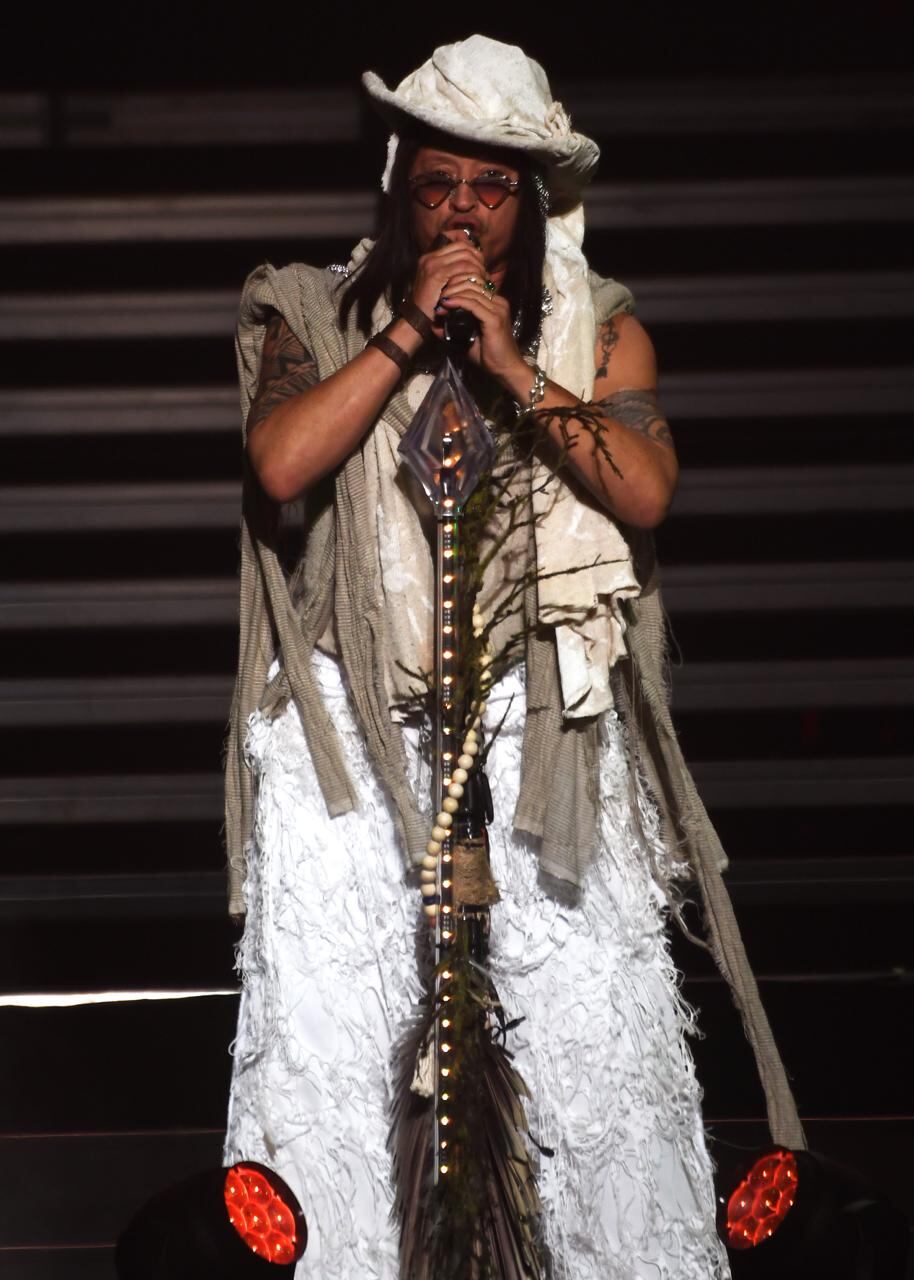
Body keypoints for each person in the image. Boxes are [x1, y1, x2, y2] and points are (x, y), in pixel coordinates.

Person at [223, 35, 801, 1280]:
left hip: (545, 720)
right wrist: (400, 343)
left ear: (531, 205)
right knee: (337, 1044)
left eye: (493, 189)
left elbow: (642, 491)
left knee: (595, 1040)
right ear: (400, 192)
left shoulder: (597, 332)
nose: (464, 212)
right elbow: (277, 466)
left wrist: (501, 362)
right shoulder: (315, 315)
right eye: (439, 185)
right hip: (357, 721)